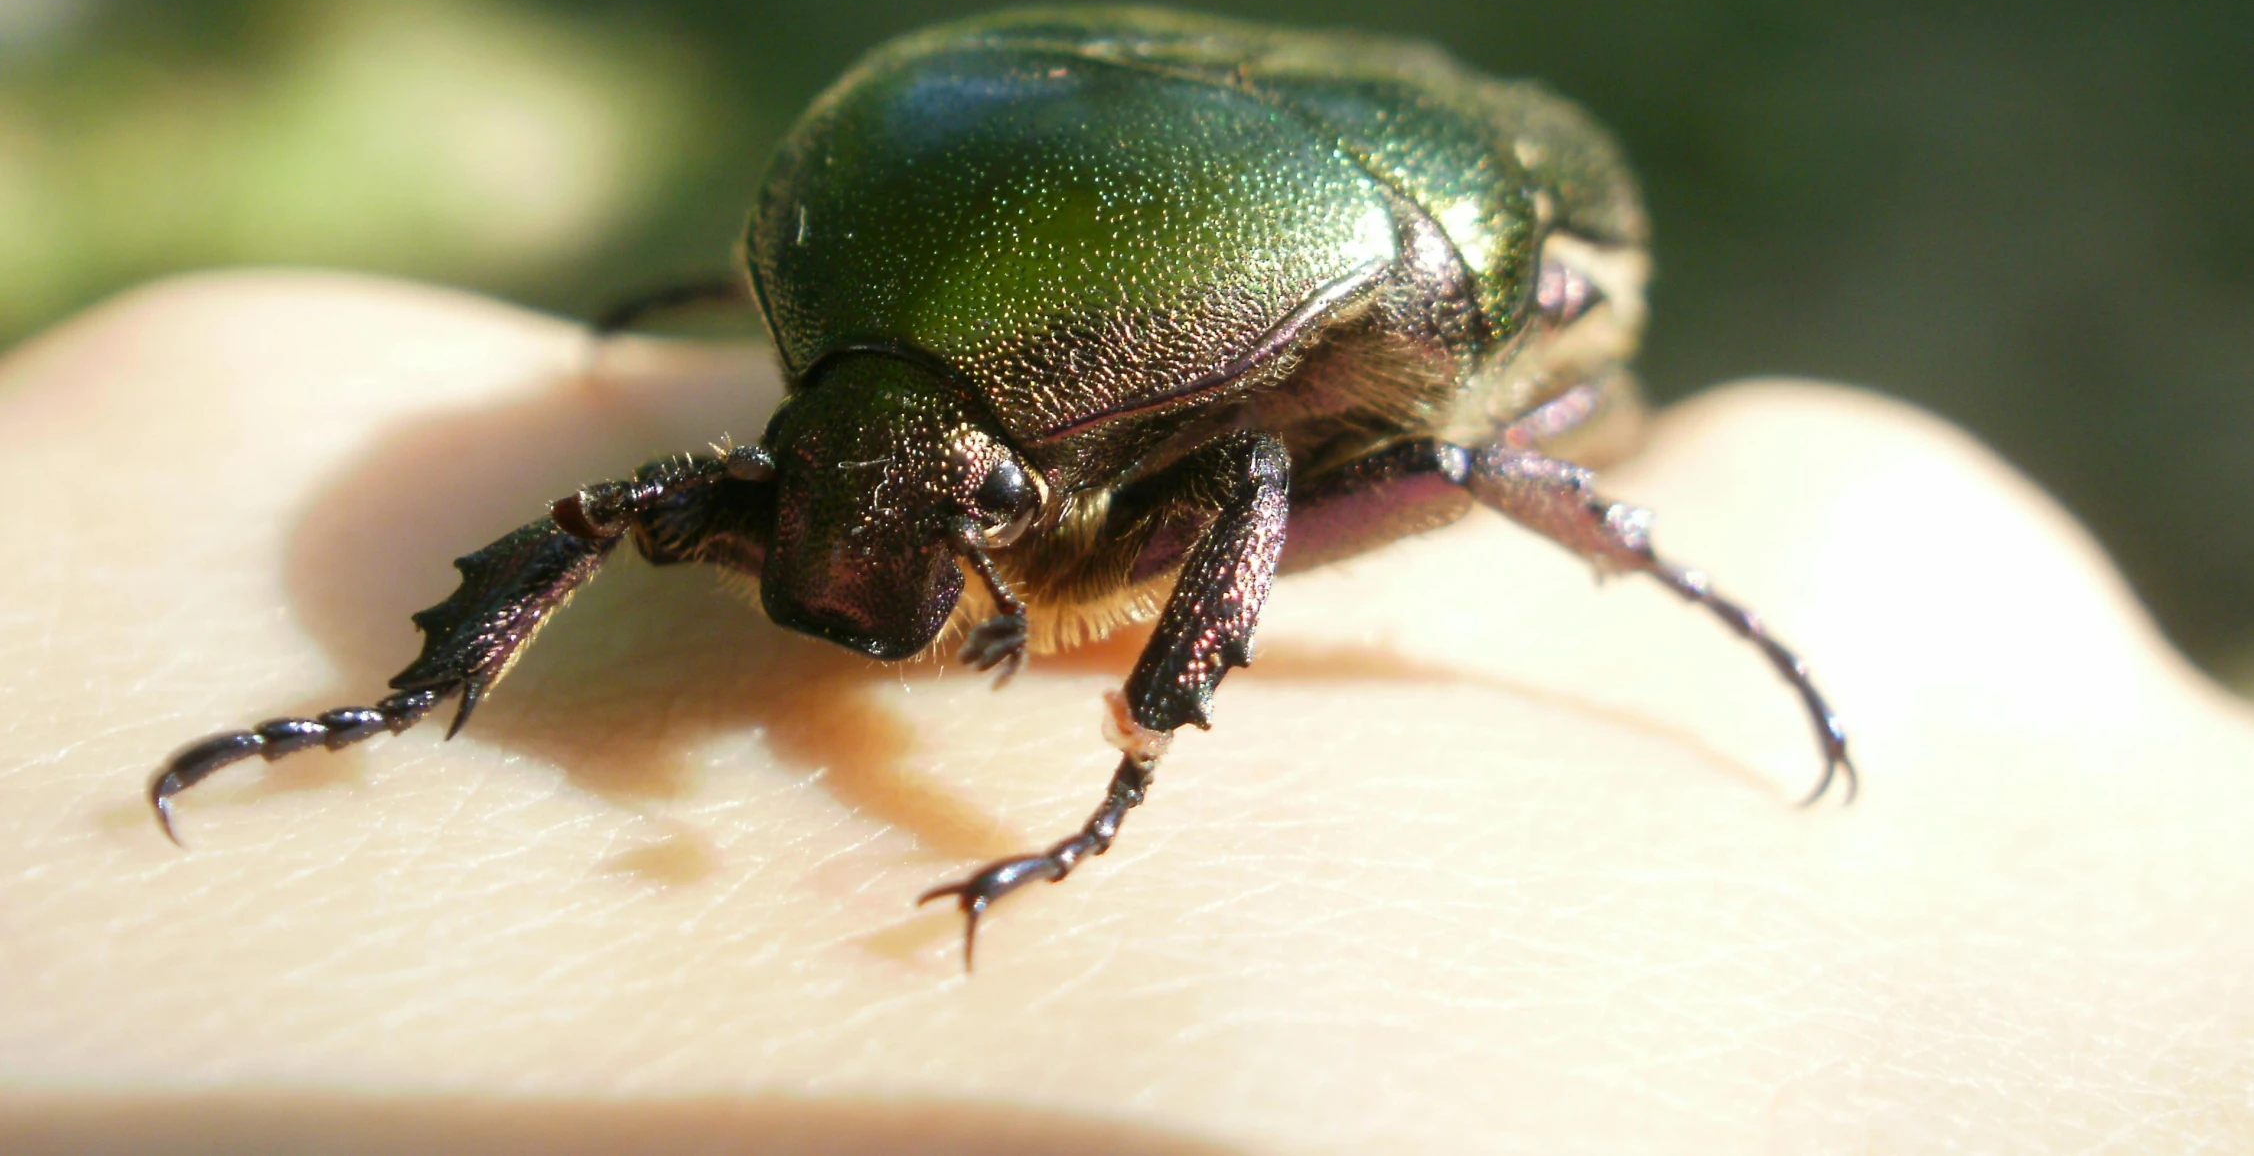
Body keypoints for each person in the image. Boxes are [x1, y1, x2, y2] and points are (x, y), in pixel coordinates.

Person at [2, 273, 2246, 1153]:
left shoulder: (1193, 464)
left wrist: (1129, 736)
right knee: (624, 496)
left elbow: (1278, 457)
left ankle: (1201, 730)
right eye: (806, 500)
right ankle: (412, 709)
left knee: (1421, 454)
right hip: (1013, 219)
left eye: (934, 515)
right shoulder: (812, 426)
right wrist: (394, 702)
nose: (838, 574)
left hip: (1334, 280)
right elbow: (619, 501)